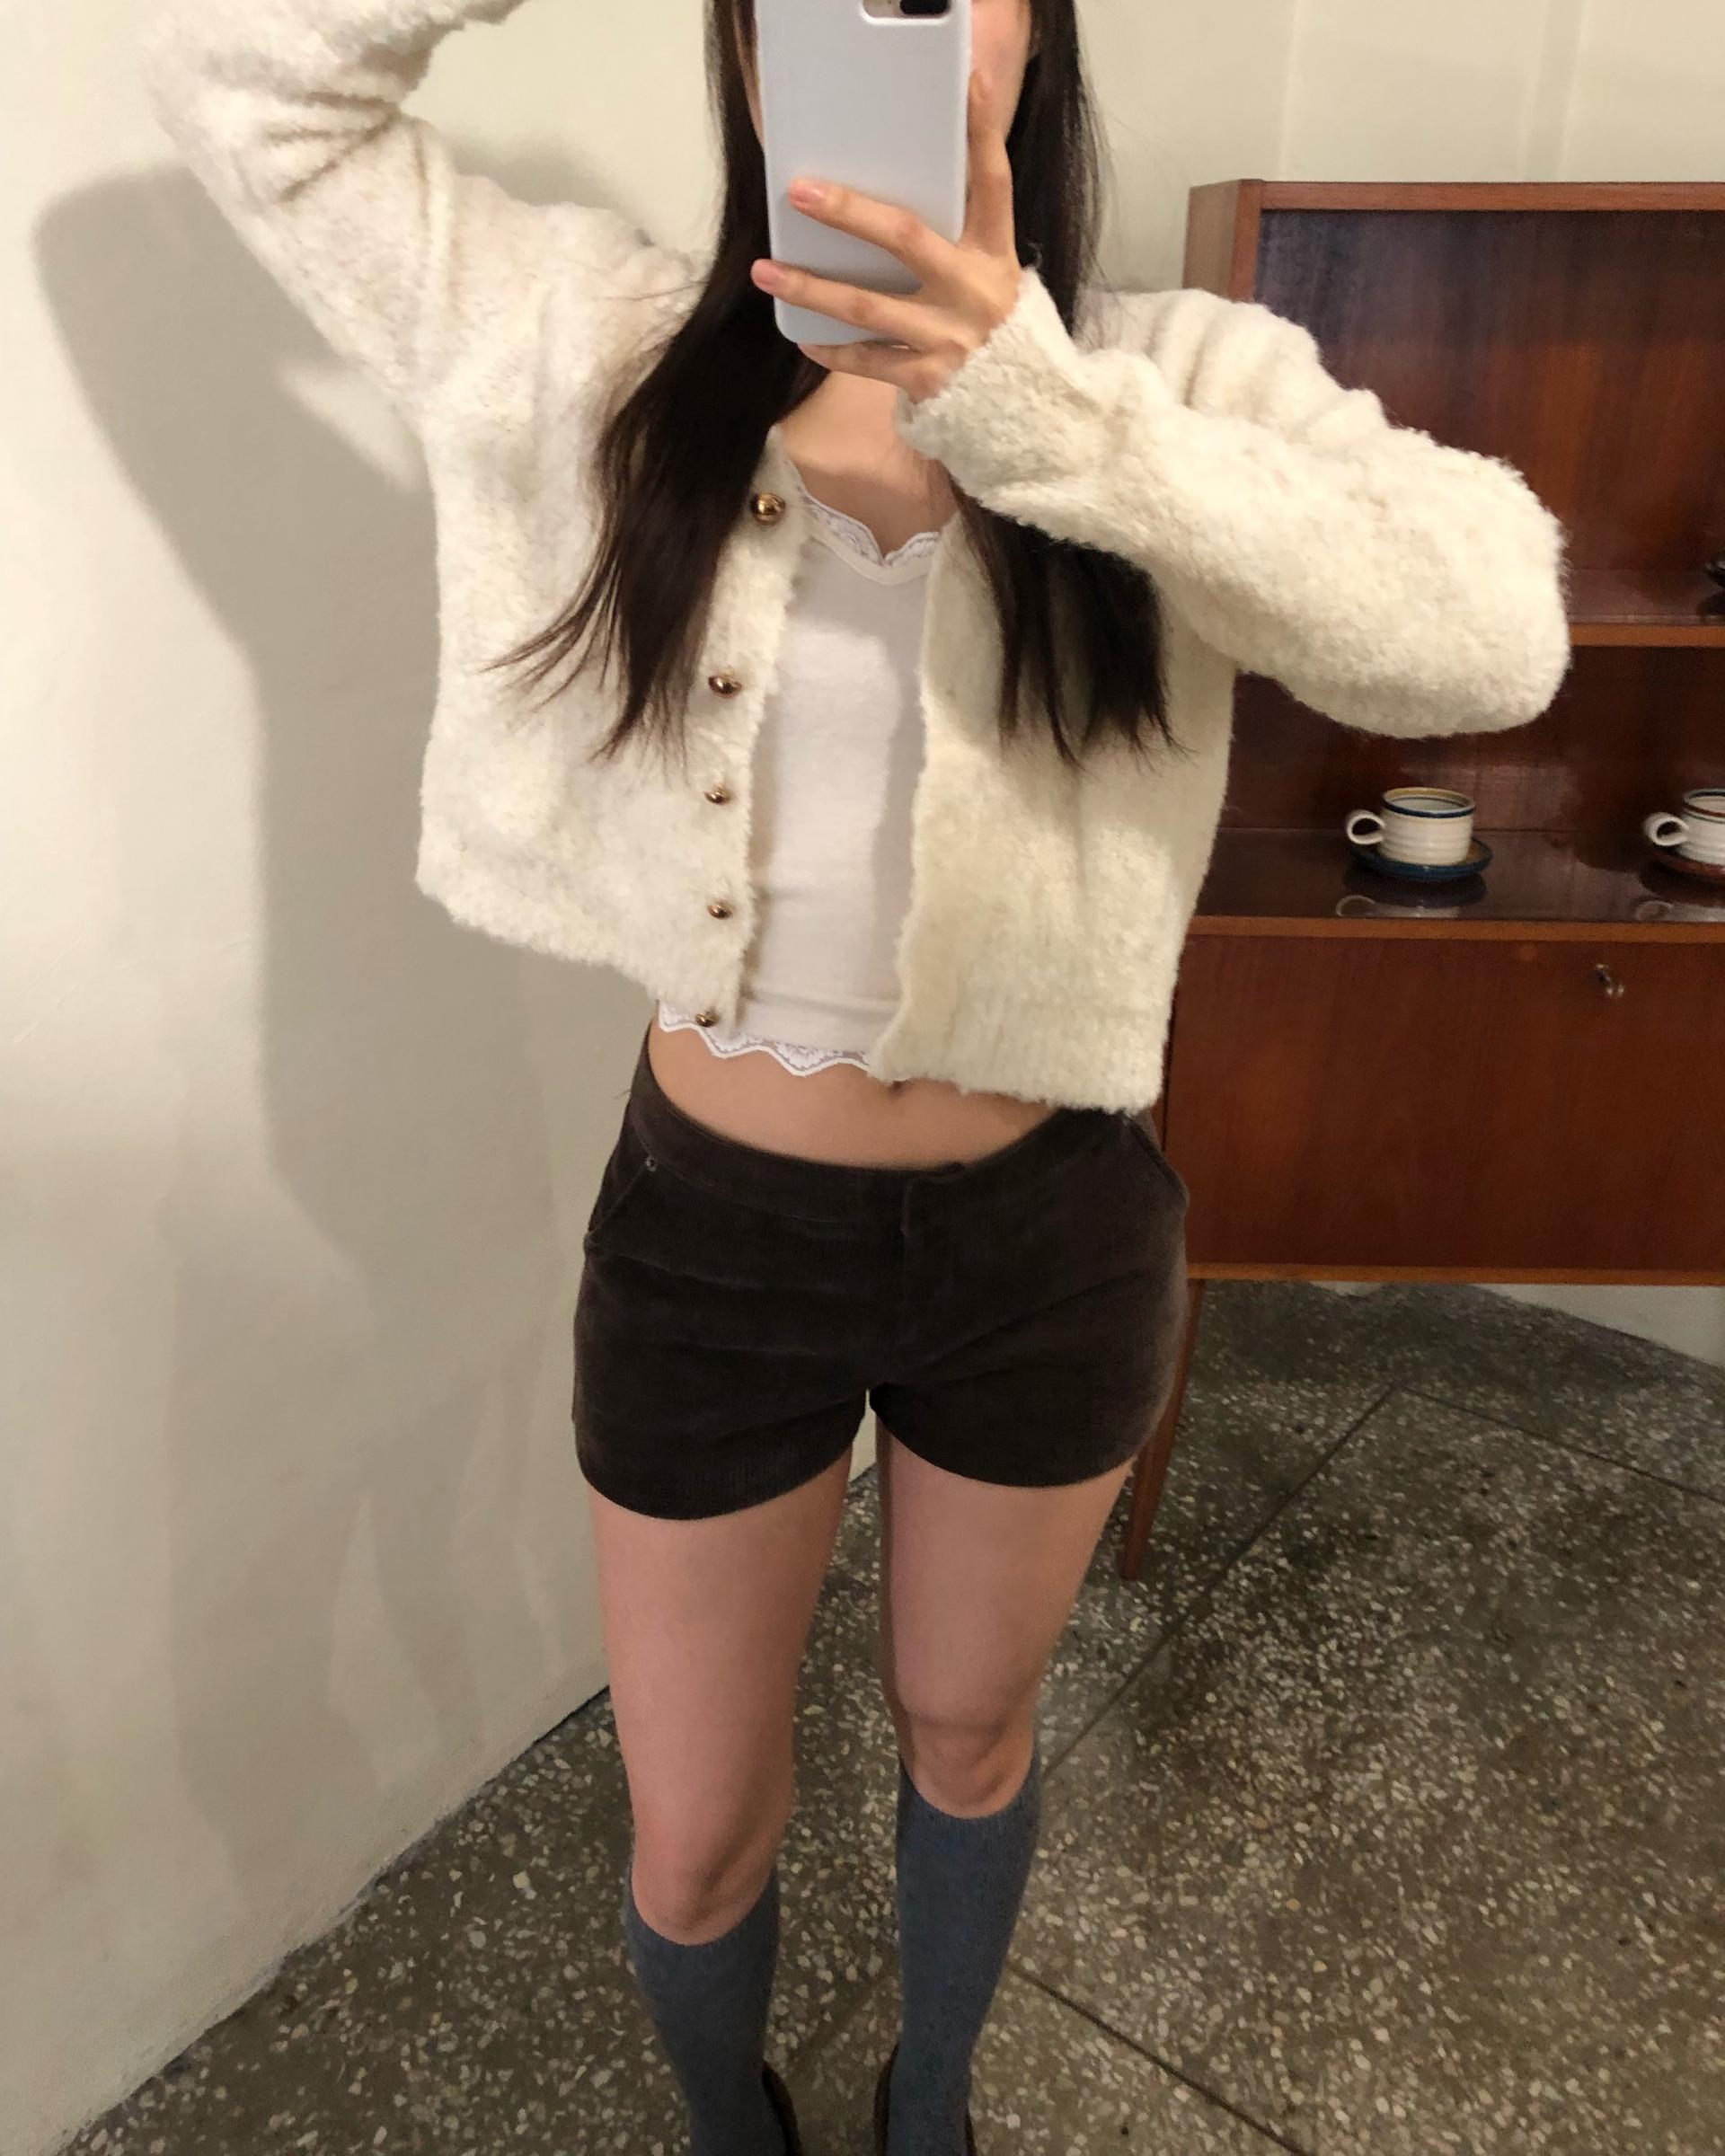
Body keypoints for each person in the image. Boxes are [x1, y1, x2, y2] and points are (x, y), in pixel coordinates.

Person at [138, 2, 1572, 2149]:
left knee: (969, 1736)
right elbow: (238, 90)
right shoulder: (596, 341)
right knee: (695, 1834)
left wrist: (1025, 396)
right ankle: (734, 2127)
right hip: (717, 1236)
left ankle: (936, 2107)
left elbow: (1491, 633)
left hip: (1050, 1228)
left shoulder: (1171, 373)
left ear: (1040, 29)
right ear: (741, 39)